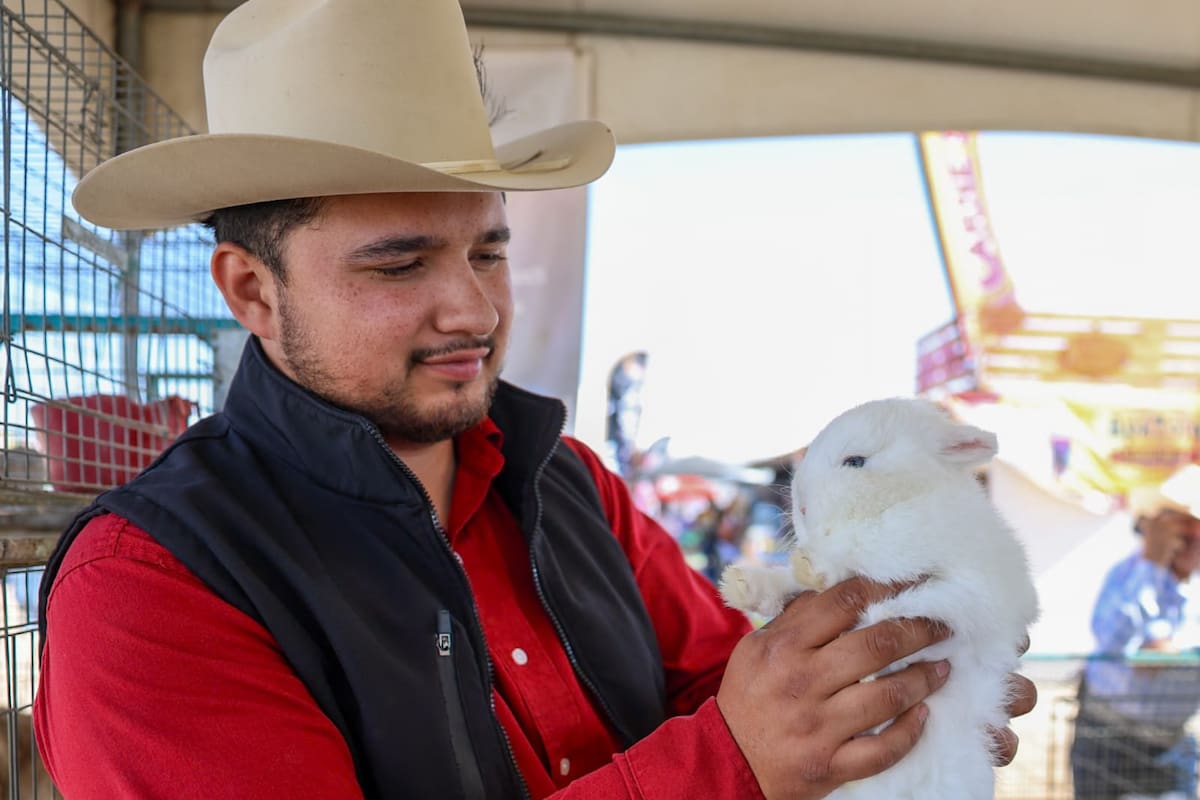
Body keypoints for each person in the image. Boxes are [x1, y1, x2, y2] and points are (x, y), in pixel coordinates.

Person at [31, 0, 1036, 797]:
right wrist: (735, 761)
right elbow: (731, 732)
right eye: (399, 265)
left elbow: (719, 679)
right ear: (250, 289)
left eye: (489, 249)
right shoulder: (149, 585)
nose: (471, 307)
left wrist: (877, 696)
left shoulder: (567, 479)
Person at [1071, 467, 1200, 800]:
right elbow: (1114, 639)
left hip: (1170, 745)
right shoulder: (1128, 574)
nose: (1189, 536)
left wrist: (1172, 651)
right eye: (1180, 524)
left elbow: (1157, 653)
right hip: (1107, 741)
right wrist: (1153, 564)